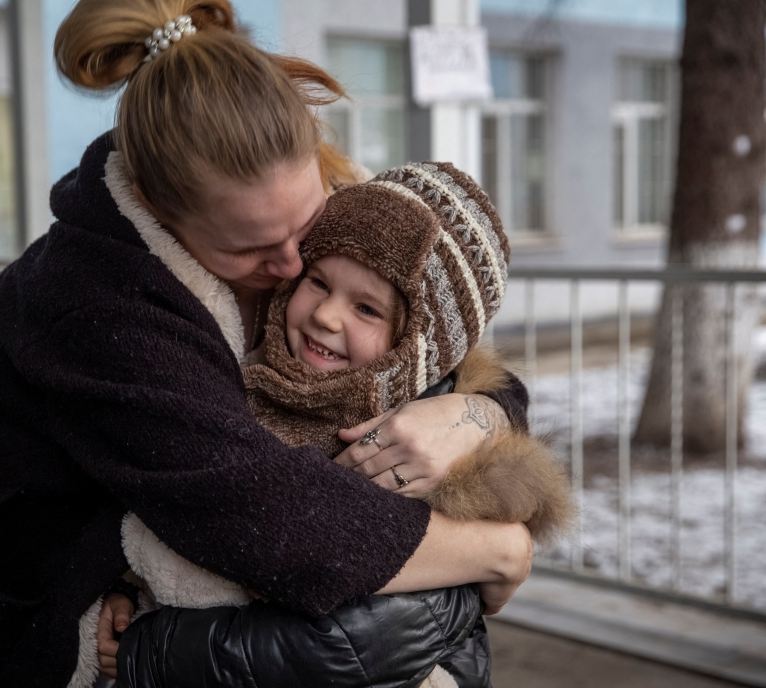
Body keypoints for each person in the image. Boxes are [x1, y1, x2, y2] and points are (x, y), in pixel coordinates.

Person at [0, 2, 533, 686]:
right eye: (251, 250)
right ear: (158, 209)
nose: (293, 266)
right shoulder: (100, 306)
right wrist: (498, 550)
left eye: (306, 227)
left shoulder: (300, 206)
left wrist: (476, 414)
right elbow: (267, 520)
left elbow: (443, 345)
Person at [116, 164, 573, 688]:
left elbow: (355, 643)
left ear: (422, 346)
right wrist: (127, 588)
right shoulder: (243, 374)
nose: (327, 316)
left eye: (368, 309)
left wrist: (147, 649)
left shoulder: (426, 461)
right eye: (317, 282)